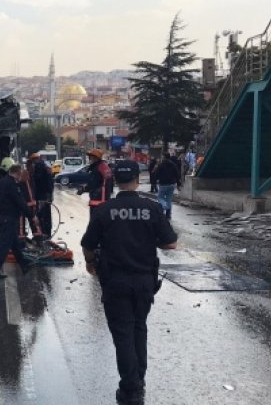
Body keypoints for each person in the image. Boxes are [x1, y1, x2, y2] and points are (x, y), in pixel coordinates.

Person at [81, 160, 178, 405]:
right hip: (144, 281)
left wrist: (90, 263)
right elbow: (170, 243)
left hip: (115, 282)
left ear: (115, 180)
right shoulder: (152, 208)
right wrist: (145, 238)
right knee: (139, 329)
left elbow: (88, 244)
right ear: (137, 179)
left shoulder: (104, 210)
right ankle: (139, 380)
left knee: (123, 334)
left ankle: (130, 389)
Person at [0, 164, 38, 279]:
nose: (21, 176)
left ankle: (24, 264)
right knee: (3, 246)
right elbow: (20, 202)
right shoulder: (13, 185)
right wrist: (32, 216)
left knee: (15, 244)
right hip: (8, 218)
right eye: (20, 173)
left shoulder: (1, 182)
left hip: (1, 217)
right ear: (17, 173)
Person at [77, 148, 113, 217]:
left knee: (94, 224)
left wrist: (83, 189)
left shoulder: (97, 168)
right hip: (105, 200)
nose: (90, 159)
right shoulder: (104, 167)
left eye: (91, 157)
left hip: (97, 201)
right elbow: (110, 184)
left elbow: (92, 184)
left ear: (95, 158)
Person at [31, 153, 54, 237]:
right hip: (46, 195)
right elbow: (51, 183)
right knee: (47, 215)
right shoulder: (47, 167)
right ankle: (47, 233)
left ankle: (42, 234)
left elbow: (37, 180)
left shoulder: (38, 167)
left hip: (41, 195)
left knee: (41, 215)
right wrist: (50, 195)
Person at [155, 153, 181, 220]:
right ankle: (168, 214)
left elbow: (156, 173)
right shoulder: (173, 165)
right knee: (169, 199)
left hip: (163, 184)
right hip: (171, 184)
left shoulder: (161, 165)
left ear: (164, 157)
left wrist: (155, 180)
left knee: (160, 197)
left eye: (162, 157)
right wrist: (178, 184)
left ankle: (164, 207)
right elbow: (177, 175)